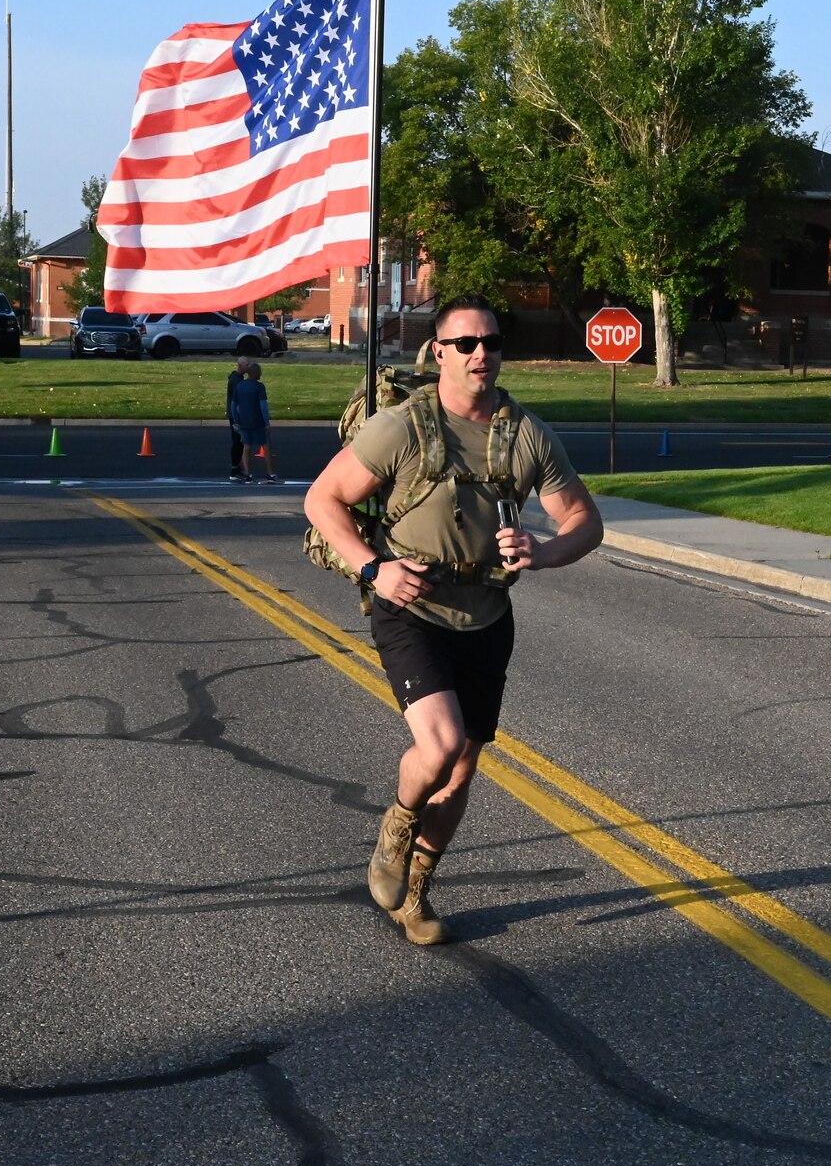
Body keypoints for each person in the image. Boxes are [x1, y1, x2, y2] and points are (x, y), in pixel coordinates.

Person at [304, 294, 602, 945]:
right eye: (465, 343)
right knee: (437, 747)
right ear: (438, 351)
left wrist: (544, 551)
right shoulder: (402, 427)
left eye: (491, 343)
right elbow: (321, 498)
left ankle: (415, 890)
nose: (480, 354)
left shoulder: (525, 434)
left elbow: (587, 521)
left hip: (487, 612)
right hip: (411, 603)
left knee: (463, 765)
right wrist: (371, 566)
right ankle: (396, 826)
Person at [226, 357, 279, 483]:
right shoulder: (259, 387)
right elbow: (263, 406)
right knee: (265, 446)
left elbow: (233, 405)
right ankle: (271, 473)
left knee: (246, 446)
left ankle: (248, 474)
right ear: (256, 374)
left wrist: (236, 420)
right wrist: (267, 423)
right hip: (257, 421)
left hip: (244, 421)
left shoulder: (240, 386)